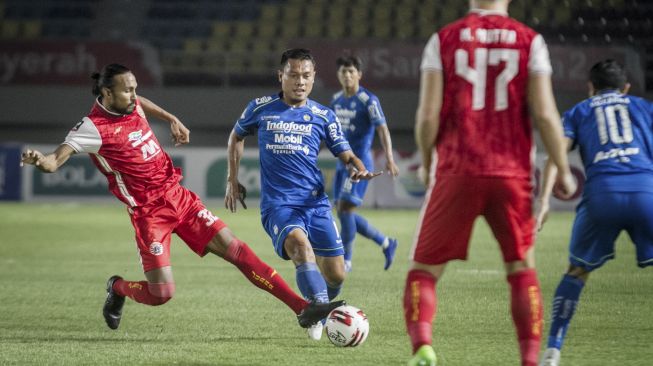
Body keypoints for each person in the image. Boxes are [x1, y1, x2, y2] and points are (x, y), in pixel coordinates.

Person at [20, 63, 343, 333]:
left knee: (238, 252)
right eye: (127, 90)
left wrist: (171, 118)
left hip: (179, 198)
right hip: (149, 214)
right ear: (106, 94)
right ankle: (117, 287)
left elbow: (143, 102)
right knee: (162, 293)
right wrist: (40, 160)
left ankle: (303, 309)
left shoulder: (130, 103)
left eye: (134, 88)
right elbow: (55, 161)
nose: (134, 95)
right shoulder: (92, 128)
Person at [403, 1, 577, 365]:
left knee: (425, 269)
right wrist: (562, 167)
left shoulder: (443, 39)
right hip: (510, 172)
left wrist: (428, 159)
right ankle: (530, 359)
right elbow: (545, 114)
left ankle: (422, 346)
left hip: (457, 167)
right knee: (521, 268)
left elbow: (427, 115)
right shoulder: (530, 41)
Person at [225, 49, 379, 340]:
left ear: (314, 78)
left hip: (316, 204)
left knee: (336, 274)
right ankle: (319, 311)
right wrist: (232, 179)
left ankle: (321, 304)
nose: (300, 81)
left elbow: (346, 154)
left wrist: (358, 167)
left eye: (306, 76)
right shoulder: (261, 107)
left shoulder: (323, 115)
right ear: (280, 76)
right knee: (299, 247)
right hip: (279, 205)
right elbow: (237, 136)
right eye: (293, 75)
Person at [536, 60, 653, 366]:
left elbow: (556, 154)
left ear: (590, 88)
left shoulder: (580, 110)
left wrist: (545, 200)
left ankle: (553, 351)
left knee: (577, 272)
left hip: (602, 195)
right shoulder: (644, 107)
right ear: (626, 87)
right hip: (646, 192)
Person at [330, 55, 400, 273]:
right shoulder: (336, 100)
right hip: (342, 165)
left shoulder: (368, 100)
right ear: (338, 75)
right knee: (343, 212)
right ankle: (386, 242)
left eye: (351, 71)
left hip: (359, 165)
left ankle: (347, 261)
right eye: (343, 72)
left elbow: (382, 129)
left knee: (345, 209)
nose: (347, 75)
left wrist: (389, 157)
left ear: (359, 74)